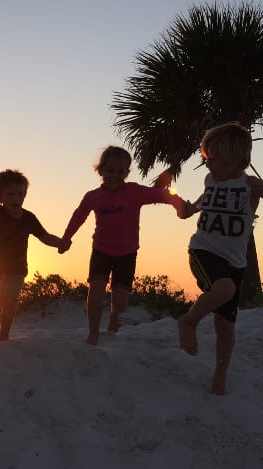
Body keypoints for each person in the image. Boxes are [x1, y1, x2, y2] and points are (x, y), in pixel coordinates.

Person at [177, 122, 263, 395]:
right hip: (203, 251)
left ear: (237, 160)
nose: (207, 164)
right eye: (206, 158)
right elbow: (198, 205)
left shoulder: (249, 185)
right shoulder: (211, 182)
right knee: (225, 288)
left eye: (213, 159)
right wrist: (187, 210)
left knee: (226, 325)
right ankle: (189, 321)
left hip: (236, 261)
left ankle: (220, 375)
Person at [59, 146, 193, 345]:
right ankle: (93, 333)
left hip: (127, 254)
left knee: (121, 303)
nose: (114, 176)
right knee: (95, 295)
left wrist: (181, 207)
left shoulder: (134, 192)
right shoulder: (92, 196)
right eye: (110, 170)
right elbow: (78, 216)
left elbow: (163, 195)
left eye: (120, 172)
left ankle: (114, 316)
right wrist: (66, 238)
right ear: (100, 170)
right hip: (101, 252)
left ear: (127, 173)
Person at [0, 169, 64, 345]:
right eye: (10, 194)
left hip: (17, 270)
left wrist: (60, 243)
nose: (16, 198)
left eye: (20, 194)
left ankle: (4, 335)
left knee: (10, 304)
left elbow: (45, 236)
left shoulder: (28, 218)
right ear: (0, 197)